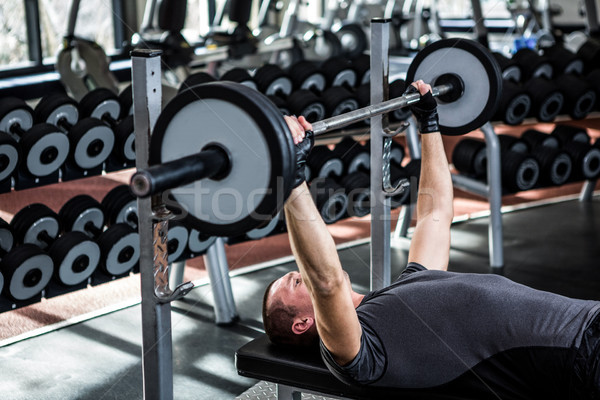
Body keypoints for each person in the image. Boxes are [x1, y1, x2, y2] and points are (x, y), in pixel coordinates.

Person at [262, 80, 600, 399]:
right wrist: (293, 175)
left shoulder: (408, 284)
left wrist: (429, 122)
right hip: (579, 360)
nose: (301, 272)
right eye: (296, 280)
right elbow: (326, 281)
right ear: (303, 323)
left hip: (589, 320)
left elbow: (436, 214)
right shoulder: (361, 352)